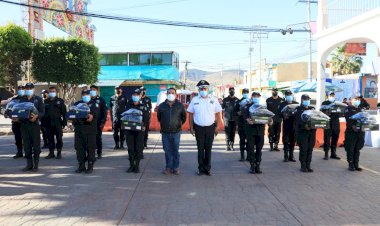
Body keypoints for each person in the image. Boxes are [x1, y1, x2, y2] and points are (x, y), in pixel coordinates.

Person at [187, 80, 223, 176]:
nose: (203, 90)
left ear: (208, 89)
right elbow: (190, 114)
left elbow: (219, 112)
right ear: (199, 89)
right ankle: (200, 169)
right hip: (198, 128)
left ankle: (207, 169)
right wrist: (190, 127)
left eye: (205, 88)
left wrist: (217, 126)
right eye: (201, 88)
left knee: (208, 149)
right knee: (200, 149)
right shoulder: (195, 100)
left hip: (210, 128)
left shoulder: (214, 99)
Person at [157, 88, 187, 175]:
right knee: (167, 150)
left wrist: (178, 125)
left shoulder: (180, 105)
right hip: (165, 132)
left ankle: (176, 167)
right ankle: (168, 167)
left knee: (175, 150)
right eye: (169, 93)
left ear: (176, 95)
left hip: (176, 132)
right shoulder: (162, 106)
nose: (171, 94)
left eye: (172, 93)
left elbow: (183, 118)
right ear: (166, 94)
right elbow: (159, 118)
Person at [19, 83, 45, 172]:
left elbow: (42, 112)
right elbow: (19, 111)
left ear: (33, 89)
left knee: (36, 146)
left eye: (30, 88)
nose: (28, 90)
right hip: (24, 125)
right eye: (27, 88)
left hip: (34, 125)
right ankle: (29, 164)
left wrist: (36, 117)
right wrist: (15, 117)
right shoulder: (22, 100)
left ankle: (36, 165)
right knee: (26, 145)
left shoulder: (38, 99)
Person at [244, 92, 270, 174]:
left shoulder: (263, 107)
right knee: (251, 149)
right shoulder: (247, 106)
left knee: (259, 149)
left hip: (260, 131)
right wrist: (247, 120)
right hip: (251, 131)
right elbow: (244, 116)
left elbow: (267, 117)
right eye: (254, 96)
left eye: (257, 96)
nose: (256, 97)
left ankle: (258, 165)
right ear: (252, 97)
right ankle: (252, 165)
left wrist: (270, 121)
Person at [72, 90, 98, 174]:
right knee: (79, 148)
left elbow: (95, 114)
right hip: (79, 130)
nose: (85, 96)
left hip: (90, 130)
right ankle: (81, 166)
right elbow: (72, 113)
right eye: (83, 94)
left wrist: (92, 116)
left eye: (87, 94)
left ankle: (90, 166)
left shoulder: (94, 104)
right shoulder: (77, 104)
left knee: (90, 148)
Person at [125, 89, 149, 173]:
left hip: (139, 130)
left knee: (138, 148)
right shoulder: (128, 104)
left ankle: (137, 166)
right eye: (133, 95)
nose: (135, 97)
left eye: (137, 95)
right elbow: (124, 115)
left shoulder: (144, 105)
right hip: (129, 130)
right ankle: (131, 165)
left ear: (140, 96)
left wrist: (144, 126)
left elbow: (146, 117)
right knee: (130, 148)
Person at [294, 94, 316, 173]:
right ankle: (303, 165)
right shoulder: (298, 109)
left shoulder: (312, 108)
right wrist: (304, 126)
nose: (307, 101)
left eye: (308, 99)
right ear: (302, 100)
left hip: (312, 132)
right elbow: (297, 121)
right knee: (304, 149)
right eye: (306, 99)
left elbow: (316, 117)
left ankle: (308, 165)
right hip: (302, 132)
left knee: (310, 149)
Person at [44, 87, 67, 159]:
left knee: (59, 138)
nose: (52, 93)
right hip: (48, 122)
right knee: (50, 138)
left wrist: (64, 123)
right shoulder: (46, 101)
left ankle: (59, 152)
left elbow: (64, 113)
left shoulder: (60, 101)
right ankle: (51, 153)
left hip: (57, 122)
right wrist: (43, 124)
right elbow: (43, 113)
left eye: (53, 91)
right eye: (50, 91)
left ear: (56, 92)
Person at [344, 95, 365, 171]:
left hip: (360, 132)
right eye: (355, 99)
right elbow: (348, 119)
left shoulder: (360, 109)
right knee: (350, 148)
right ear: (351, 100)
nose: (357, 100)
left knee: (357, 148)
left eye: (358, 99)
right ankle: (351, 164)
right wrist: (352, 126)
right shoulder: (348, 108)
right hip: (351, 132)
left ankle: (356, 164)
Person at [321, 91, 341, 160]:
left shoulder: (337, 103)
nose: (332, 96)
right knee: (327, 138)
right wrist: (326, 113)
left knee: (335, 138)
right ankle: (326, 153)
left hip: (336, 123)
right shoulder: (324, 103)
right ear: (327, 96)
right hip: (328, 123)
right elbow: (321, 112)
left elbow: (341, 112)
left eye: (333, 95)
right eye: (331, 95)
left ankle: (333, 153)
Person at [280, 90, 298, 162]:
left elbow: (299, 113)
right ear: (285, 96)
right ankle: (285, 156)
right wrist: (284, 116)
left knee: (293, 141)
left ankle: (291, 155)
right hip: (286, 125)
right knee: (286, 140)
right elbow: (279, 113)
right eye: (287, 95)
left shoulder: (296, 104)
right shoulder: (282, 104)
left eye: (290, 94)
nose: (289, 96)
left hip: (294, 125)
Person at [90, 85, 108, 159]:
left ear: (97, 91)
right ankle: (91, 152)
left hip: (98, 123)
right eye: (91, 90)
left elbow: (105, 112)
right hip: (89, 123)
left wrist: (103, 122)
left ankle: (99, 152)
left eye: (94, 90)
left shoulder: (101, 100)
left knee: (98, 138)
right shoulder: (88, 100)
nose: (92, 91)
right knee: (90, 138)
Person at [10, 86, 25, 159]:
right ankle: (19, 152)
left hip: (25, 122)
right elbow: (9, 110)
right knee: (18, 138)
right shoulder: (14, 100)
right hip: (16, 123)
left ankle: (27, 152)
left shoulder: (27, 99)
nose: (21, 91)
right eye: (19, 90)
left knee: (26, 138)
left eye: (22, 89)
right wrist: (11, 117)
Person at [235, 88, 250, 161]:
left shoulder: (251, 101)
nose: (245, 93)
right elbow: (235, 112)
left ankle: (248, 156)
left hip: (249, 124)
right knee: (242, 140)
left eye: (247, 92)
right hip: (241, 124)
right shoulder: (239, 101)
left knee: (249, 141)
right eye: (244, 92)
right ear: (242, 93)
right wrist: (239, 113)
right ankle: (242, 155)